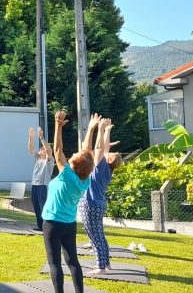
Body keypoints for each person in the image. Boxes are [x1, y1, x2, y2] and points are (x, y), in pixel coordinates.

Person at [41, 111, 97, 293]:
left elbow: (58, 151)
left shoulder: (67, 176)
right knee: (72, 261)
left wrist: (58, 125)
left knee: (54, 263)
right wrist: (91, 129)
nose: (73, 153)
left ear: (75, 164)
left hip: (52, 224)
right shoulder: (84, 180)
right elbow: (87, 154)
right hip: (69, 224)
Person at [78, 117, 122, 274]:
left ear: (109, 159)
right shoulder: (107, 170)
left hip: (90, 204)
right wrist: (107, 131)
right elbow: (103, 149)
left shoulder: (101, 165)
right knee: (100, 235)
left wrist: (102, 130)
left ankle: (100, 267)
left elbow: (99, 148)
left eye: (110, 154)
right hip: (99, 204)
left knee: (94, 236)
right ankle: (106, 262)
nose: (107, 152)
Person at [28, 126, 54, 231]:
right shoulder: (38, 158)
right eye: (41, 148)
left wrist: (41, 137)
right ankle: (40, 226)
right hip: (35, 185)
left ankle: (46, 227)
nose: (41, 149)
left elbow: (48, 149)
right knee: (36, 207)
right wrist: (30, 136)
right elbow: (30, 148)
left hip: (43, 186)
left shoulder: (49, 161)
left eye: (42, 149)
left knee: (43, 207)